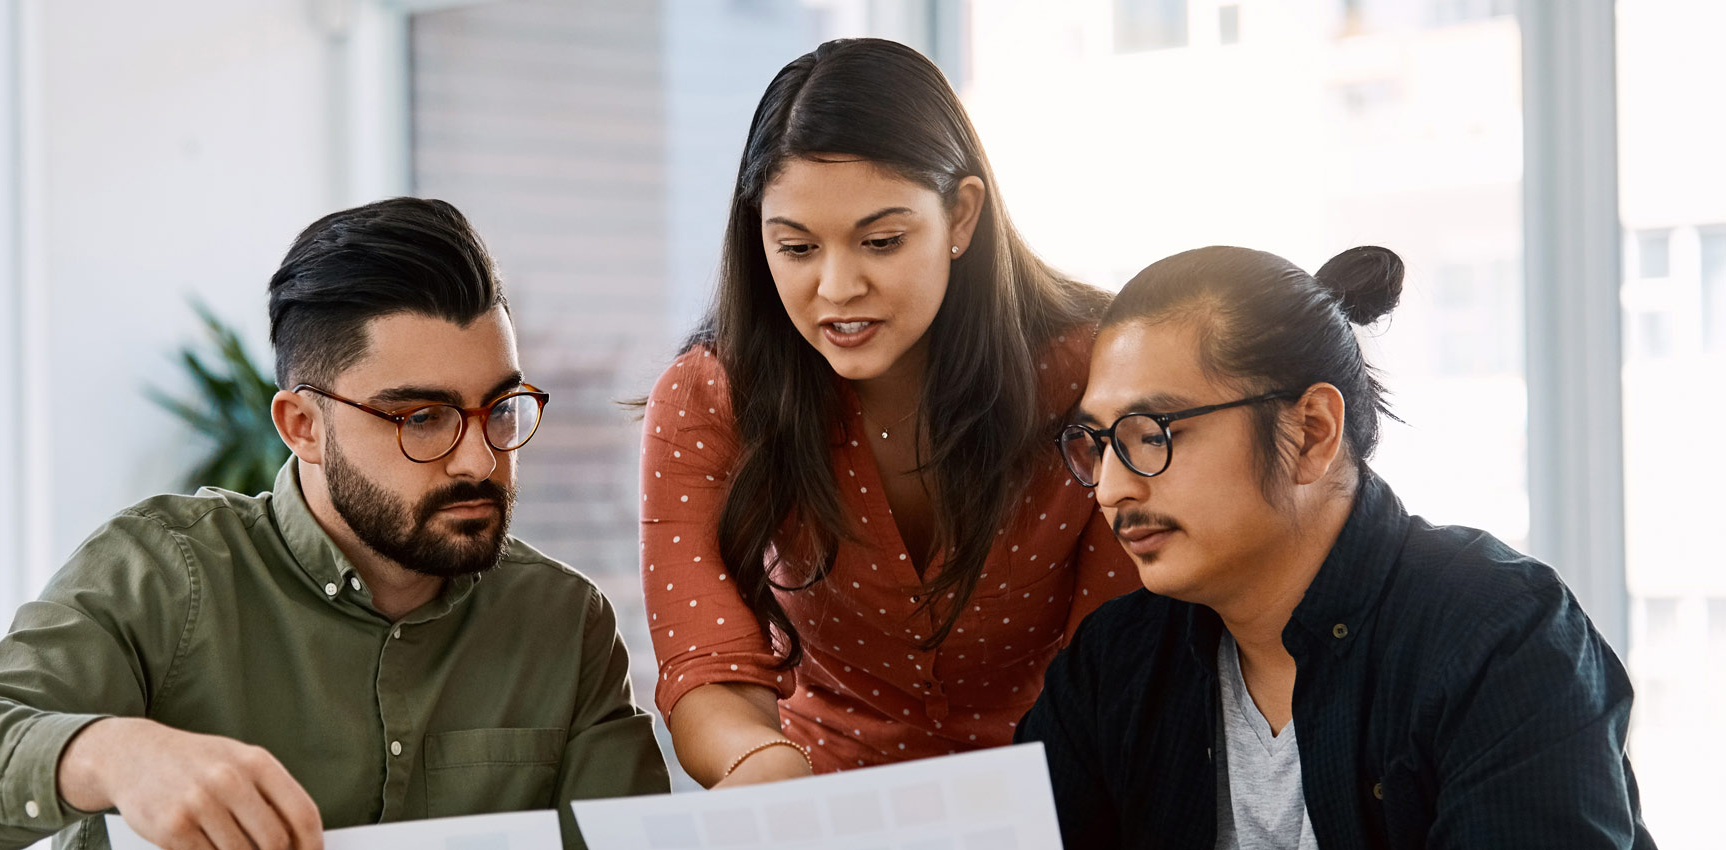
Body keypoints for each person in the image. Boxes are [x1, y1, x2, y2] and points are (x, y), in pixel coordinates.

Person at [0, 198, 669, 850]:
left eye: (498, 408)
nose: (476, 460)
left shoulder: (563, 625)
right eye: (420, 417)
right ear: (303, 426)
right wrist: (112, 754)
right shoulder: (163, 575)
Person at [1016, 245, 1654, 848]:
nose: (1109, 489)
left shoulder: (1500, 636)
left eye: (1151, 434)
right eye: (1097, 444)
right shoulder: (1115, 663)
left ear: (1311, 432)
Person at [640, 37, 1141, 788]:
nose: (837, 287)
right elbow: (705, 667)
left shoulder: (1099, 375)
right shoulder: (706, 397)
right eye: (797, 248)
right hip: (821, 799)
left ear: (961, 217)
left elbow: (1126, 662)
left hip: (1066, 793)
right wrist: (766, 774)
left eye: (881, 241)